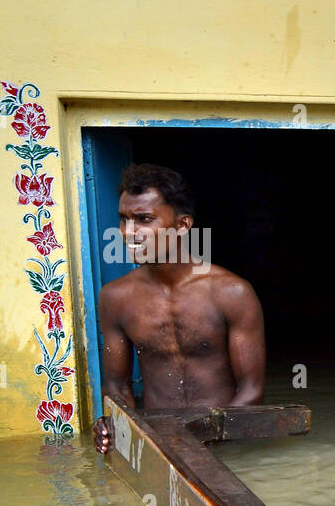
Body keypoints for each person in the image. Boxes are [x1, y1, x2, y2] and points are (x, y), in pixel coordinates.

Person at [93, 164, 266, 453]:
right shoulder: (115, 297)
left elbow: (251, 390)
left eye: (144, 219)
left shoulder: (231, 292)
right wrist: (114, 425)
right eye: (124, 220)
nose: (129, 232)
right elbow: (117, 388)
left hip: (228, 444)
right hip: (159, 446)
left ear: (182, 225)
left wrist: (208, 443)